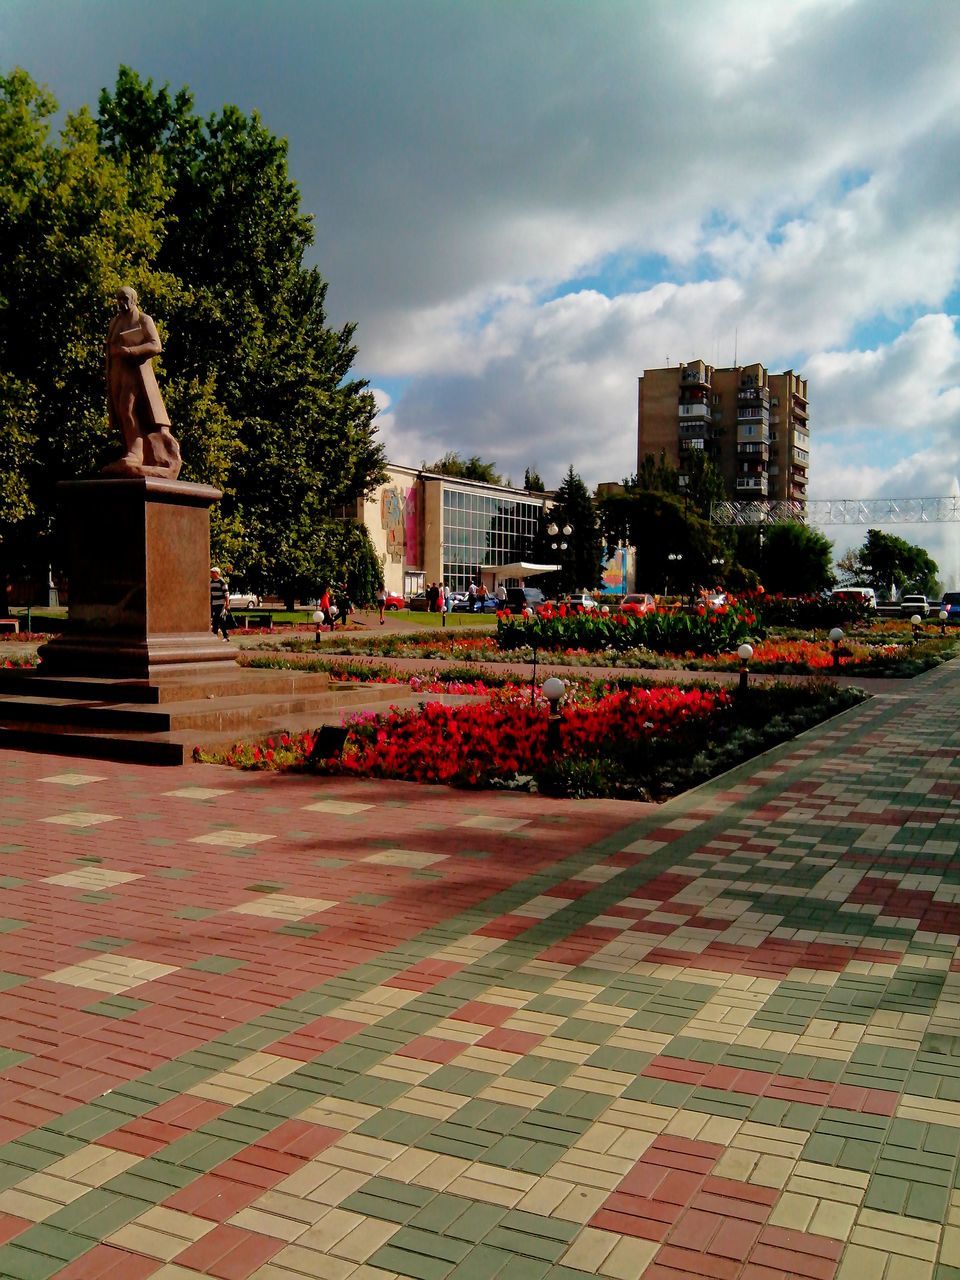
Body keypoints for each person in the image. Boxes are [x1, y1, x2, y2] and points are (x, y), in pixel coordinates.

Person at [103, 286, 182, 478]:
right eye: (119, 299)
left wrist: (131, 351)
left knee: (127, 409)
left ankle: (135, 453)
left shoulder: (144, 319)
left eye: (125, 299)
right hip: (117, 371)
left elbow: (156, 345)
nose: (122, 303)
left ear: (134, 300)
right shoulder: (115, 322)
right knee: (121, 413)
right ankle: (130, 448)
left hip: (135, 372)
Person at [210, 567, 229, 640]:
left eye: (212, 572)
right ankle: (219, 635)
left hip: (221, 603)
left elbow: (226, 593)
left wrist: (227, 604)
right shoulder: (211, 582)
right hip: (214, 603)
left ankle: (221, 635)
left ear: (217, 573)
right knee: (217, 619)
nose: (211, 574)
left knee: (217, 618)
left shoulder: (222, 581)